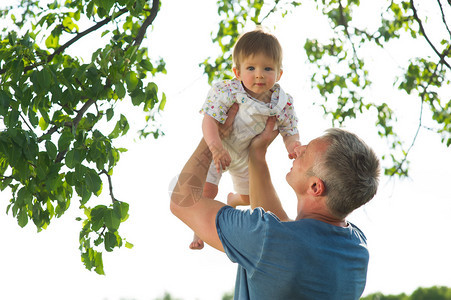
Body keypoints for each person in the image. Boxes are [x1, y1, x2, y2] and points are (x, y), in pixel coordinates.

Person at [170, 106, 381, 299]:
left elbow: (182, 200)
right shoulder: (357, 249)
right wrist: (257, 153)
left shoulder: (267, 239)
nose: (298, 150)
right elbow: (283, 232)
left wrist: (216, 137)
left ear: (315, 187)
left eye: (305, 152)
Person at [191, 27, 301, 249]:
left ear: (279, 74)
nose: (259, 74)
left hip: (245, 157)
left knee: (252, 198)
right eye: (251, 68)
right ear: (238, 72)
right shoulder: (228, 92)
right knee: (208, 190)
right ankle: (198, 232)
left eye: (267, 68)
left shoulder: (281, 102)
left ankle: (233, 200)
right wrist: (214, 147)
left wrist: (294, 146)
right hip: (221, 147)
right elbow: (209, 120)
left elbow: (289, 129)